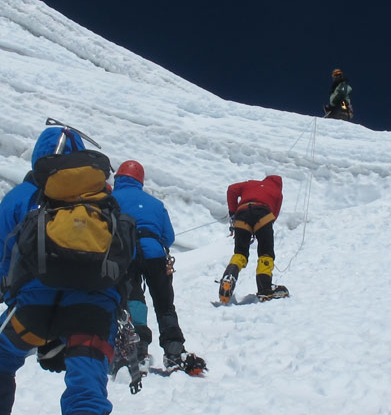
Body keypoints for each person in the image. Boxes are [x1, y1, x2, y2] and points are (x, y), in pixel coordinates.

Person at [0, 125, 130, 415]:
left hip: (32, 308)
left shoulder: (20, 197)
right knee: (86, 389)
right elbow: (123, 257)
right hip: (93, 309)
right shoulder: (104, 199)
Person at [110, 160, 206, 374]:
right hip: (155, 253)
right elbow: (168, 237)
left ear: (118, 179)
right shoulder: (154, 203)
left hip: (126, 254)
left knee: (134, 300)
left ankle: (138, 346)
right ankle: (174, 350)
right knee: (164, 305)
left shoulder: (111, 199)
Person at [219, 175, 289, 303]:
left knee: (240, 252)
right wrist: (261, 230)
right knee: (265, 253)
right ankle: (265, 288)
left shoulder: (251, 183)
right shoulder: (278, 193)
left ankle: (229, 277)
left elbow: (231, 190)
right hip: (263, 215)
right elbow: (274, 215)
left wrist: (233, 213)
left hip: (242, 213)